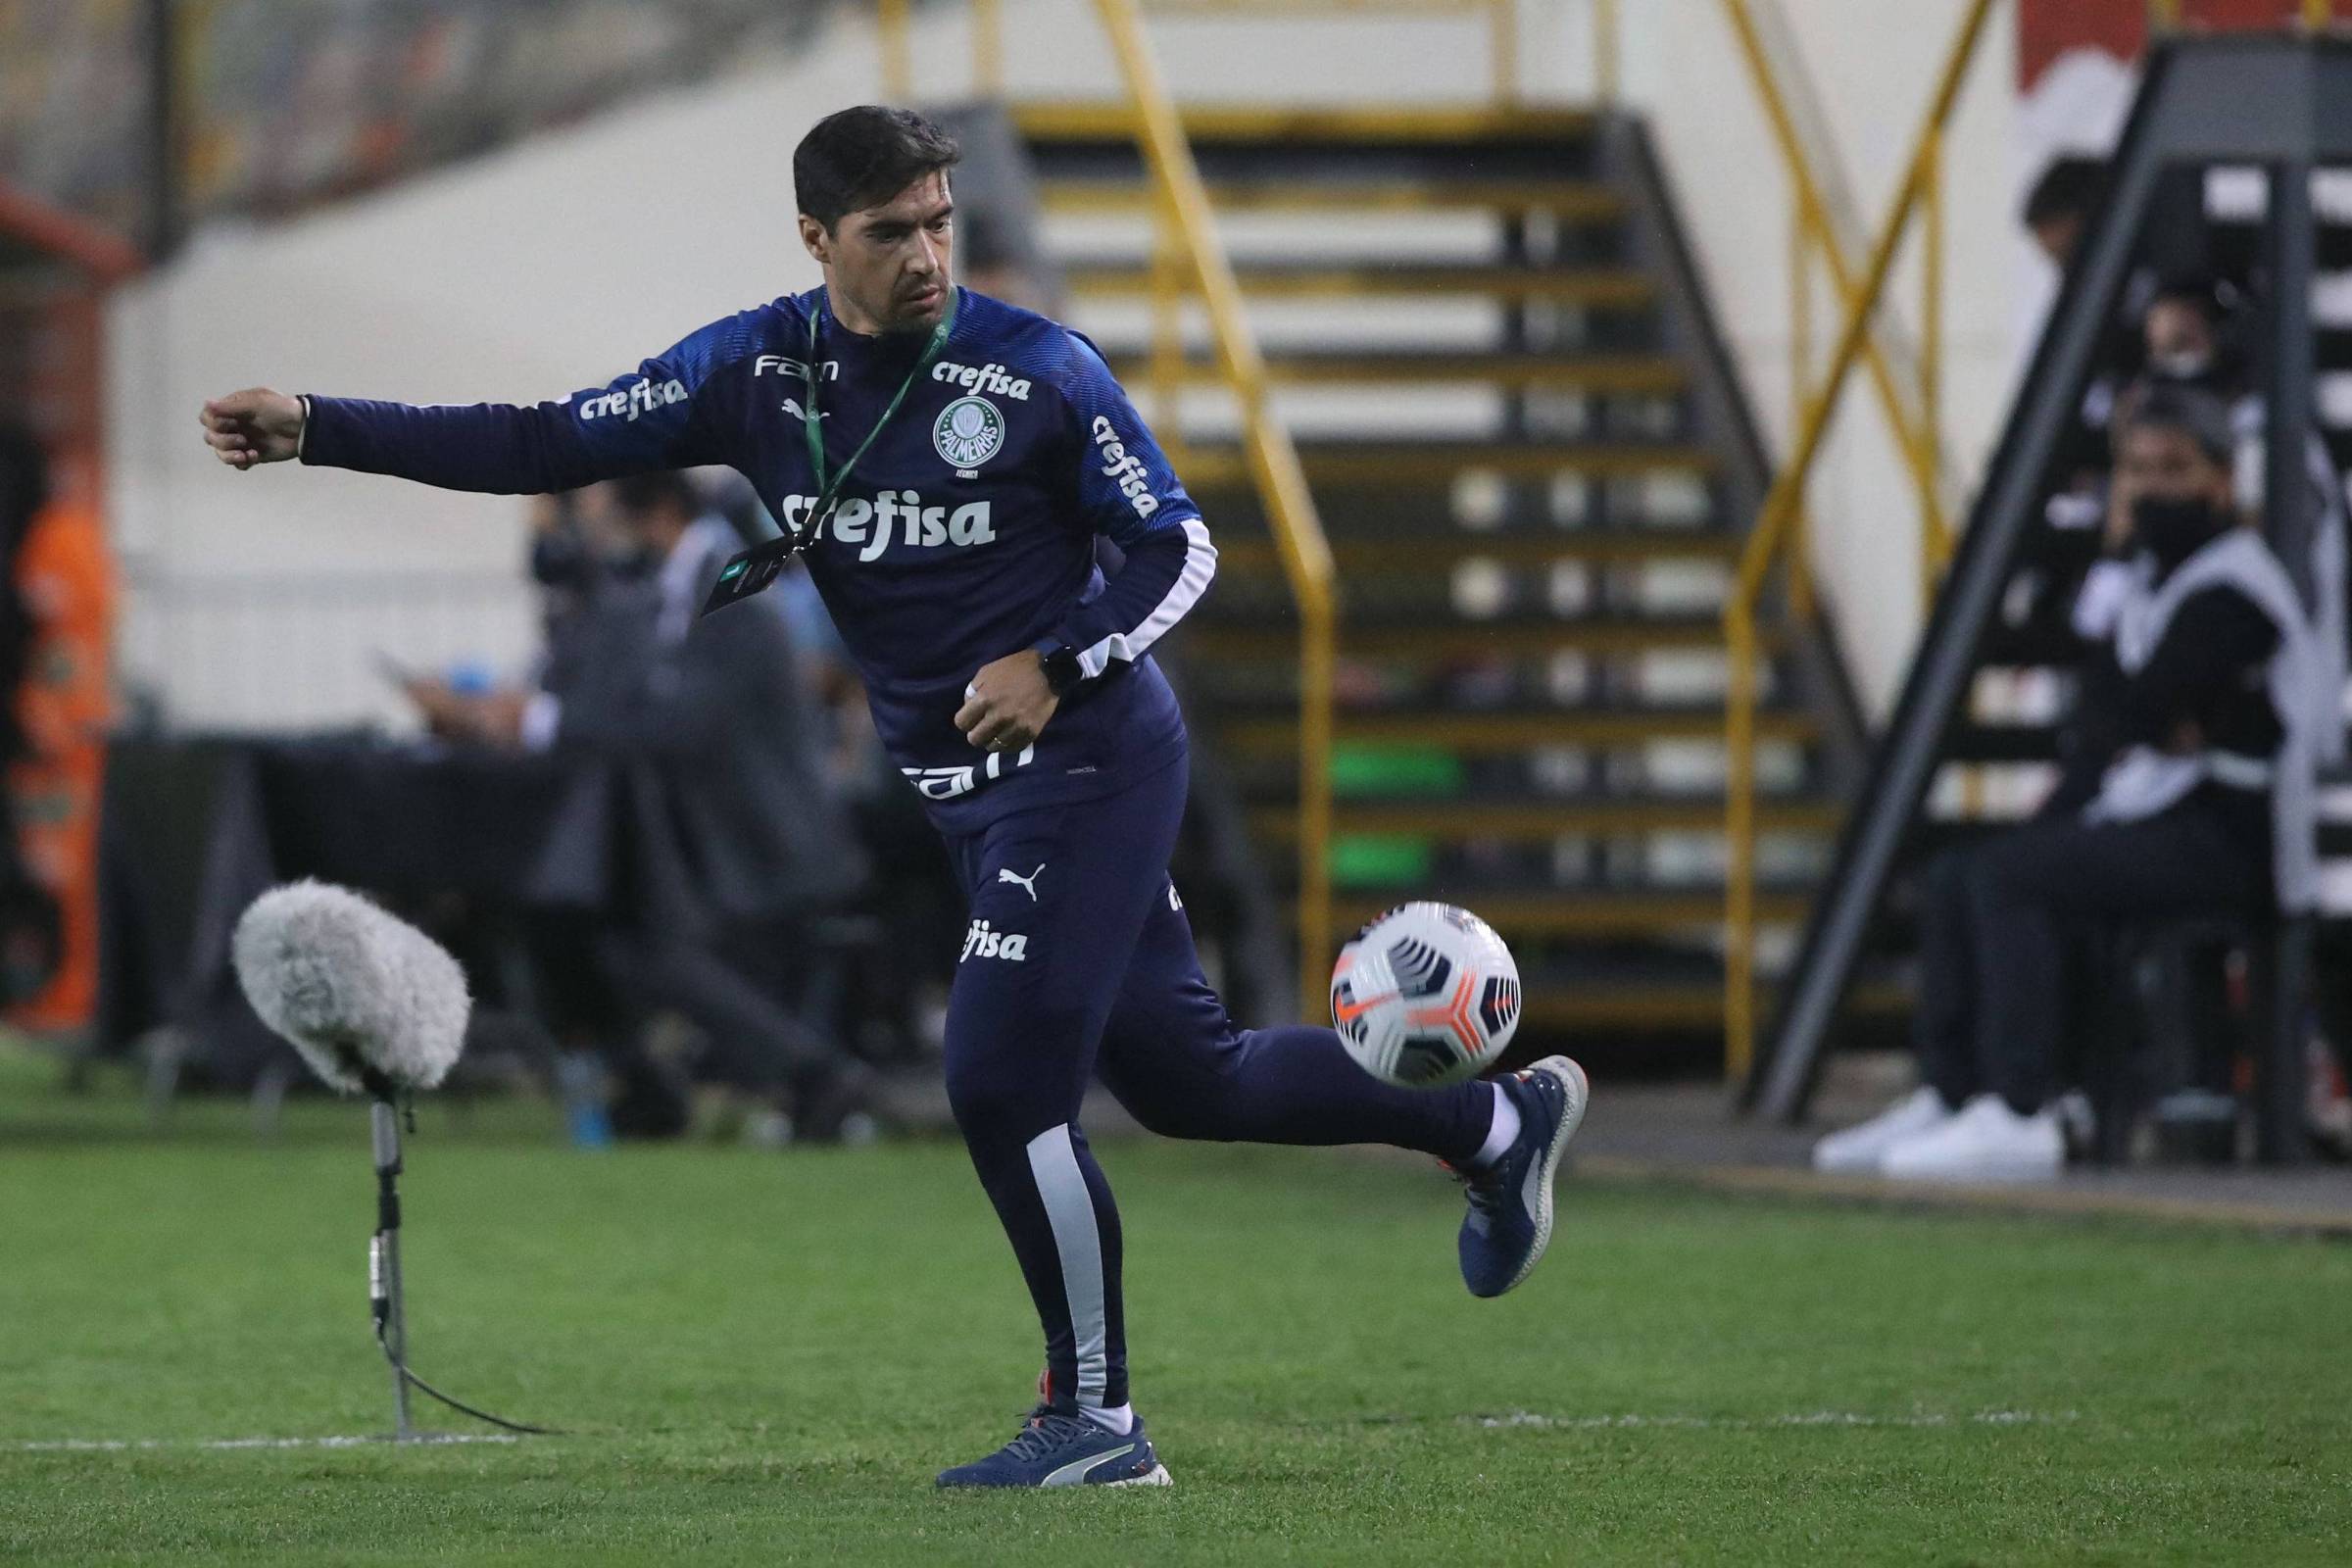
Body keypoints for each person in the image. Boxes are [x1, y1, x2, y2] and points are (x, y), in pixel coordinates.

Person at [197, 105, 1590, 1489]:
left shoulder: (1037, 370)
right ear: (818, 240)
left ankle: (1096, 1425)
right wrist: (320, 426)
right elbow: (541, 441)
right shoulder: (750, 370)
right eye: (889, 232)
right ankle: (1490, 1126)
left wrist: (1057, 658)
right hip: (964, 794)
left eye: (940, 222)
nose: (927, 253)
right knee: (1186, 1080)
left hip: (1089, 763)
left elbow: (1179, 546)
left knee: (994, 1075)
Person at [1817, 386, 2325, 1182]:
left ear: (2220, 481)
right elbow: (2112, 712)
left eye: (2174, 470)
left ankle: (2025, 1106)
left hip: (2232, 836)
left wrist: (2144, 712)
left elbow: (2135, 708)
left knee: (2014, 879)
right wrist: (2144, 712)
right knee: (1956, 873)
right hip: (2161, 811)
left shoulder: (2236, 585)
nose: (2155, 490)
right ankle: (1954, 1092)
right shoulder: (2152, 580)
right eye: (2138, 470)